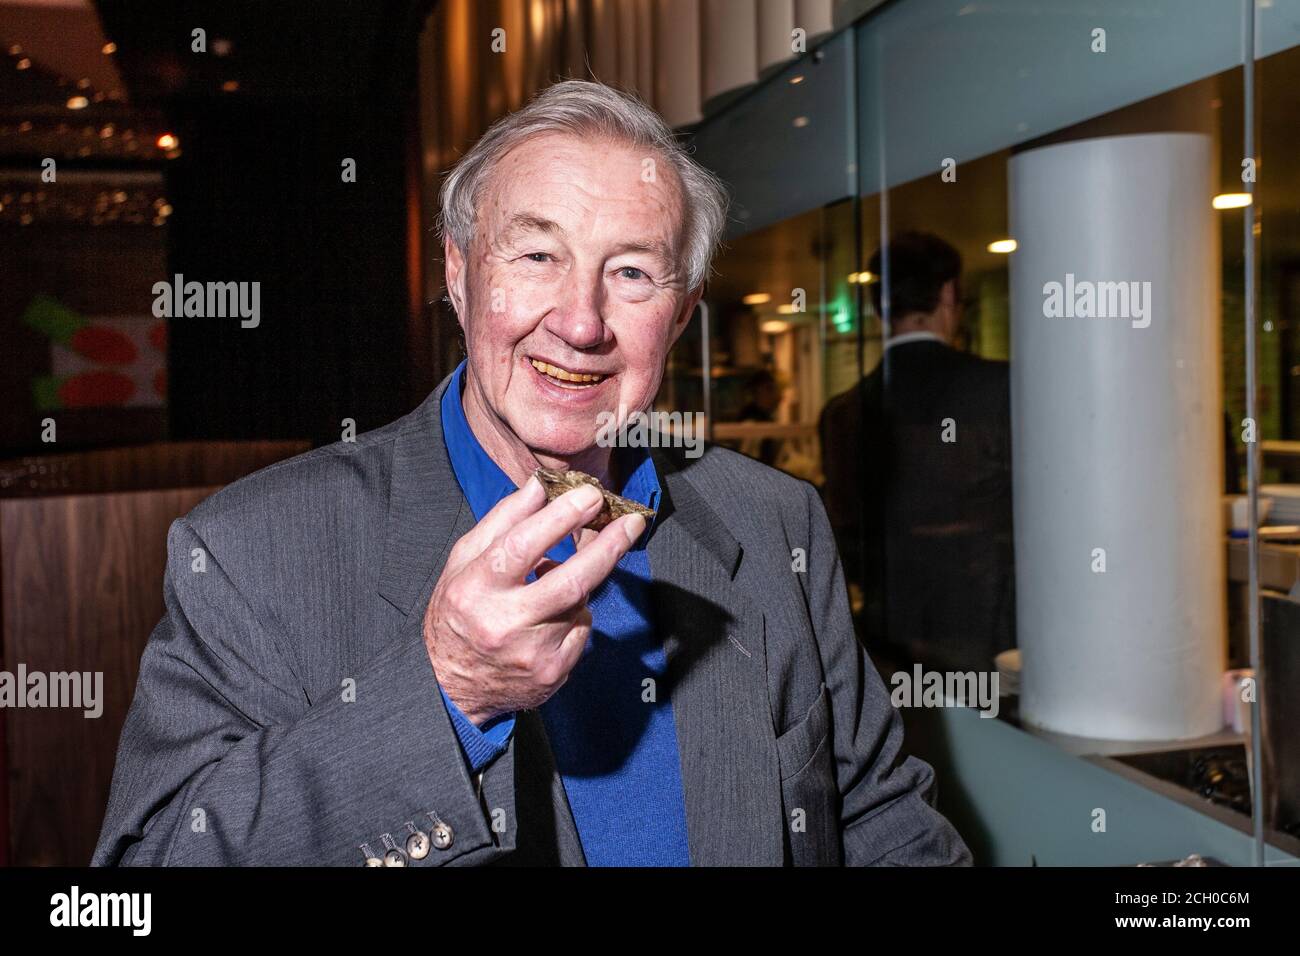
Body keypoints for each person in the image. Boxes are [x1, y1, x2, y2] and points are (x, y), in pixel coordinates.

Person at [93, 82, 970, 867]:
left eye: (631, 272)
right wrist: (442, 691)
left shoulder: (775, 520)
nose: (581, 323)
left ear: (682, 315)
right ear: (458, 273)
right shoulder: (254, 549)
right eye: (537, 255)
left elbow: (880, 819)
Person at [820, 232, 1014, 675]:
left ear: (877, 308)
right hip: (992, 634)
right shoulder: (1001, 388)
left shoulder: (844, 411)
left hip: (888, 637)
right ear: (949, 294)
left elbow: (844, 530)